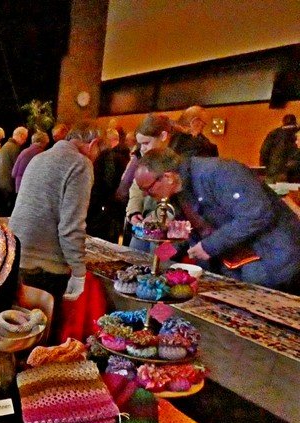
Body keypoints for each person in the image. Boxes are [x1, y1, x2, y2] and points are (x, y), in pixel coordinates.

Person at [135, 148, 300, 293]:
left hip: (273, 258)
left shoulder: (221, 172)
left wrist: (209, 246)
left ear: (168, 177)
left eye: (148, 189)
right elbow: (185, 236)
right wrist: (155, 261)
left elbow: (257, 215)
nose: (146, 195)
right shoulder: (178, 194)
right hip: (233, 263)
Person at [9, 122, 103, 303]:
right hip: (45, 267)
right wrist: (79, 273)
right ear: (94, 143)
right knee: (45, 319)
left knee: (20, 318)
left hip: (16, 255)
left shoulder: (39, 157)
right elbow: (71, 226)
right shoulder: (80, 164)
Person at [120, 113, 174, 251]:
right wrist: (133, 211)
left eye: (146, 143)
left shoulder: (175, 162)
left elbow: (178, 203)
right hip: (145, 224)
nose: (142, 148)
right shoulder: (145, 159)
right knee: (134, 255)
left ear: (163, 136)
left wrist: (156, 218)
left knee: (161, 258)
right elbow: (136, 187)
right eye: (140, 144)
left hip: (170, 230)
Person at [0, 126, 28, 215]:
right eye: (25, 138)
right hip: (10, 184)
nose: (25, 141)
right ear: (21, 135)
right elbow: (18, 167)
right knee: (9, 212)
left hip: (1, 182)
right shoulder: (14, 148)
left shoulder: (5, 146)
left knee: (3, 210)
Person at [259, 114, 298, 183]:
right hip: (287, 173)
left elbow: (264, 151)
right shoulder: (293, 134)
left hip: (272, 171)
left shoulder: (274, 133)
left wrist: (266, 166)